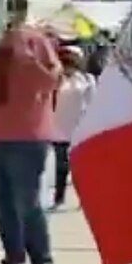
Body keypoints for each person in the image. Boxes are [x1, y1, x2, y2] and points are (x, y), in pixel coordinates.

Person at [0, 0, 61, 264]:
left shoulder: (35, 41)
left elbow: (52, 80)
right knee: (4, 205)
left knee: (27, 203)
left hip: (27, 135)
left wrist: (27, 59)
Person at [50, 46, 96, 210]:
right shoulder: (55, 80)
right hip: (59, 131)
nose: (69, 65)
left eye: (72, 61)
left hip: (80, 130)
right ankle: (59, 198)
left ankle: (85, 199)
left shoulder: (87, 79)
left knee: (81, 168)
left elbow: (92, 104)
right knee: (61, 167)